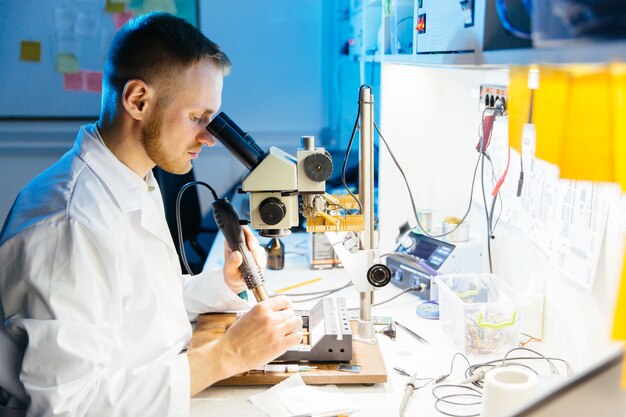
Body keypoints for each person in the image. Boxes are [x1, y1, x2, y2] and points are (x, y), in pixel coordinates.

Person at [0, 12, 303, 417]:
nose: (209, 138)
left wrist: (222, 284)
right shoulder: (72, 225)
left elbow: (134, 305)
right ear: (137, 100)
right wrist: (226, 356)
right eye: (198, 118)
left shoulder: (132, 178)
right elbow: (67, 407)